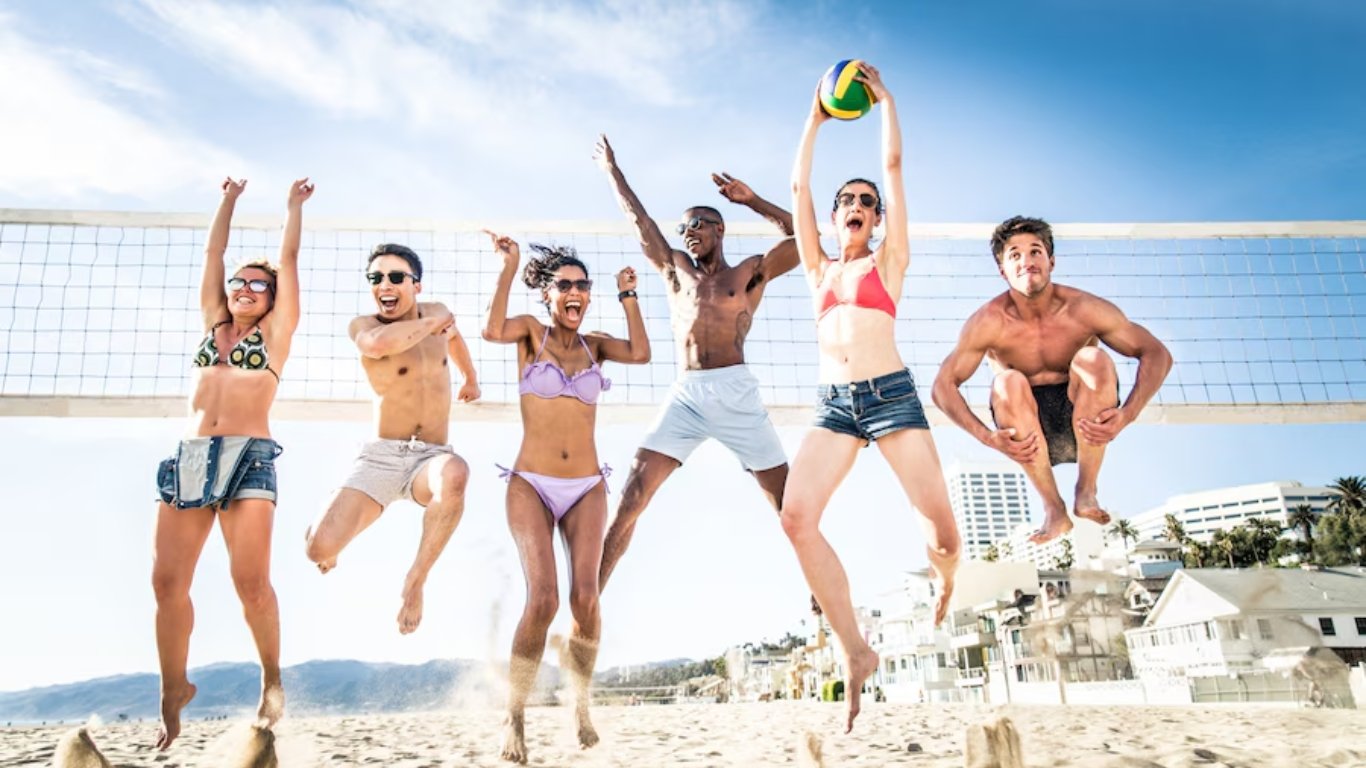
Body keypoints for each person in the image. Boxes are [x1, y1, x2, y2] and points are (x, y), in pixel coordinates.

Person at [786, 63, 961, 732]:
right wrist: (814, 118)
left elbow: (891, 165)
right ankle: (856, 649)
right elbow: (798, 185)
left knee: (942, 534)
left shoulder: (890, 263)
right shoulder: (817, 268)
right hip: (834, 406)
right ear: (834, 219)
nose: (857, 205)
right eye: (847, 202)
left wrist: (885, 99)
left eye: (866, 202)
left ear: (877, 218)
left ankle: (946, 577)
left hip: (890, 398)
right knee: (795, 519)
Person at [592, 135, 798, 590]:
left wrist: (754, 200)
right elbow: (639, 220)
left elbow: (802, 239)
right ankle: (589, 600)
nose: (689, 232)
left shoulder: (747, 272)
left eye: (699, 224)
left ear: (719, 230)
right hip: (686, 394)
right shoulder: (675, 269)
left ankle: (819, 593)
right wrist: (613, 171)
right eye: (684, 226)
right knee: (631, 494)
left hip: (735, 391)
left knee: (790, 506)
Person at [151, 176, 313, 749]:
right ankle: (175, 689)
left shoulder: (275, 334)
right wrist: (228, 200)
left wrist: (291, 208)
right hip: (192, 457)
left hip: (248, 455)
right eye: (240, 283)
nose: (245, 288)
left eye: (257, 285)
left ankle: (271, 678)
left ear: (271, 298)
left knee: (250, 583)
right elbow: (212, 253)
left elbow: (288, 258)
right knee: (167, 582)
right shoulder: (212, 325)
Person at [481, 231, 649, 764]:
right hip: (530, 482)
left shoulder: (595, 345)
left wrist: (629, 295)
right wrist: (509, 266)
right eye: (565, 285)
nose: (575, 292)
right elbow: (490, 330)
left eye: (583, 285)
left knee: (586, 598)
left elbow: (641, 353)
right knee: (544, 599)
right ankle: (515, 715)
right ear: (549, 296)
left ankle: (580, 702)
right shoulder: (532, 334)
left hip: (585, 486)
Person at [931, 215, 1172, 543]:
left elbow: (1157, 354)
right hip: (1026, 432)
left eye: (1035, 252)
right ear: (1003, 270)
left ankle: (1086, 491)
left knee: (1093, 359)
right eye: (1014, 255)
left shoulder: (1084, 308)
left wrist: (1127, 414)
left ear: (1051, 261)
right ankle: (1053, 508)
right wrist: (986, 437)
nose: (1026, 261)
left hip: (1085, 421)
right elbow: (942, 387)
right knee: (1007, 382)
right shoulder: (988, 322)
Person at [304, 242, 480, 634]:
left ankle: (415, 581)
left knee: (455, 473)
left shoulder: (437, 314)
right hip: (381, 457)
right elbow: (381, 346)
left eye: (396, 277)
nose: (385, 284)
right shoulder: (364, 325)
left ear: (416, 284)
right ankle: (334, 531)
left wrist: (471, 377)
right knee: (318, 549)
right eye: (376, 278)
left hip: (430, 457)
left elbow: (454, 339)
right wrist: (435, 323)